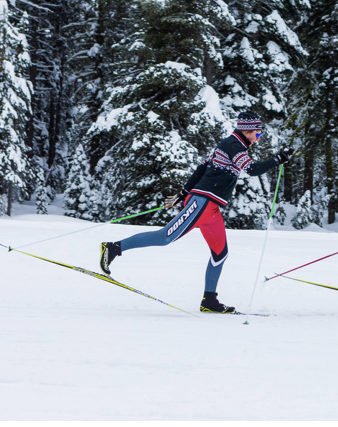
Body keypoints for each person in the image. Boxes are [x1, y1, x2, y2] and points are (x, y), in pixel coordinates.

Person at [99, 112, 288, 314]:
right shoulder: (233, 145)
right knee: (164, 237)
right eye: (257, 135)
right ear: (246, 131)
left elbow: (201, 168)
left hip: (211, 209)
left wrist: (182, 193)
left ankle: (209, 301)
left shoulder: (231, 146)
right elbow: (250, 169)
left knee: (220, 254)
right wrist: (277, 160)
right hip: (202, 202)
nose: (258, 139)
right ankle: (113, 248)